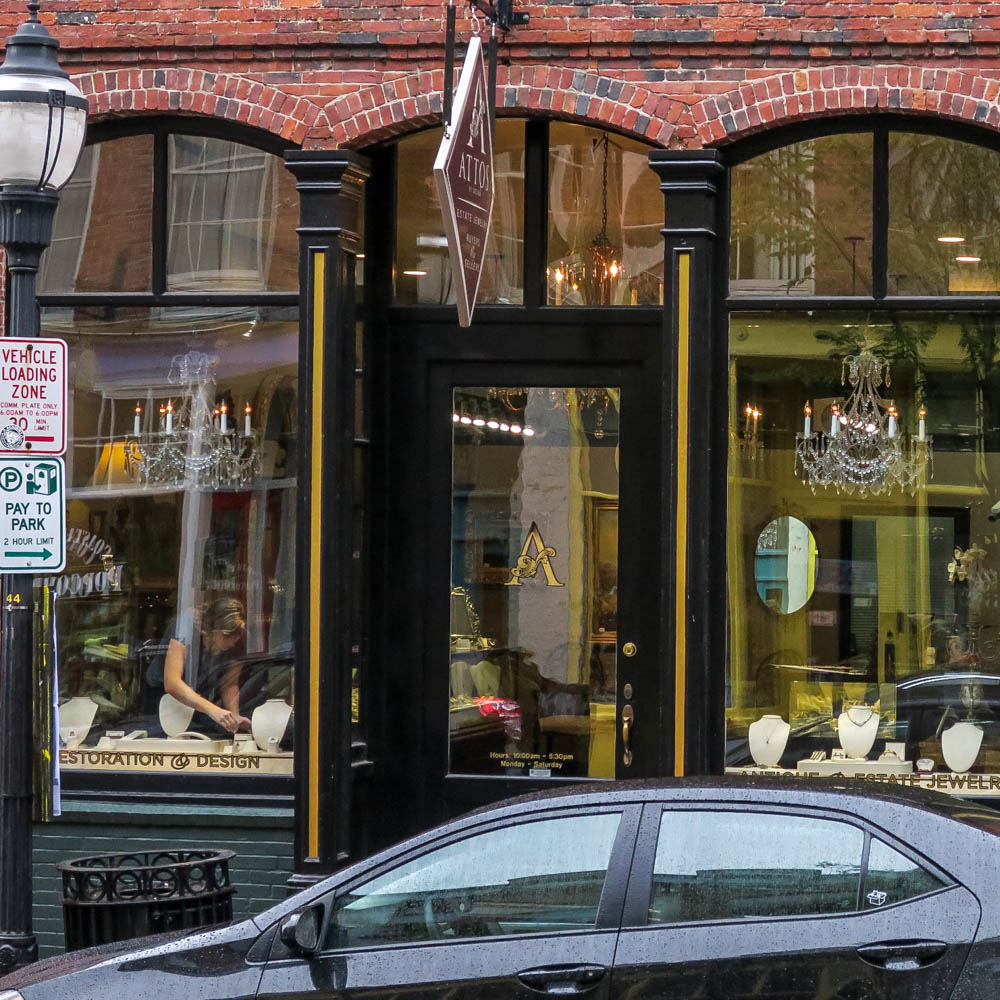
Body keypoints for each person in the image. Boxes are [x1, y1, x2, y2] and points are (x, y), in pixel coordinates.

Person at [163, 597, 250, 733]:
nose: (232, 641)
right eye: (227, 636)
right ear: (210, 631)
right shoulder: (186, 629)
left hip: (201, 703)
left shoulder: (240, 639)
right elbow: (172, 683)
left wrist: (234, 716)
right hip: (165, 701)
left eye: (236, 637)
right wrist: (213, 711)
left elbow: (229, 684)